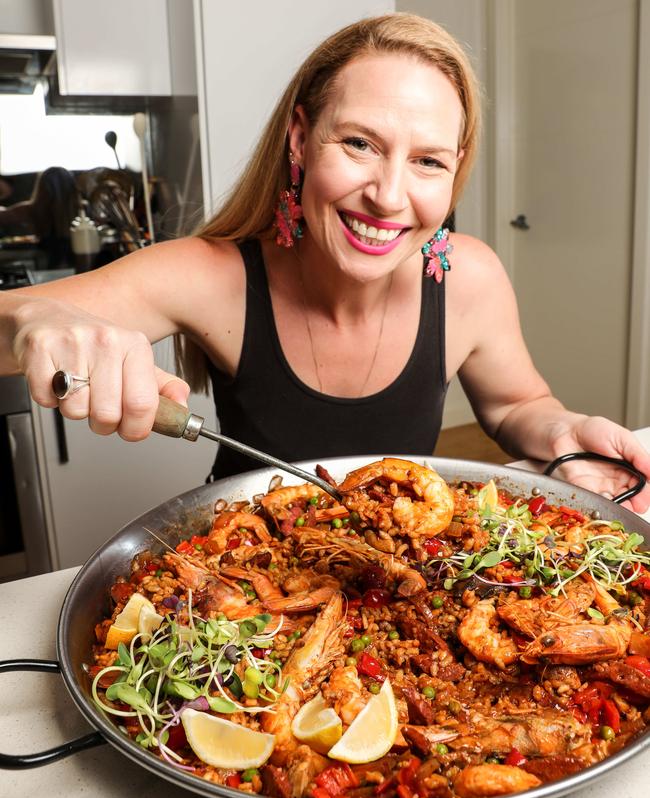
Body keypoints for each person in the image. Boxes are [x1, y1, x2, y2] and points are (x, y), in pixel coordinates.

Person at [1, 13, 649, 510]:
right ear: (301, 139)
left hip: (399, 568)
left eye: (427, 160)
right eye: (361, 143)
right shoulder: (217, 275)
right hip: (241, 571)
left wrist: (566, 433)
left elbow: (516, 406)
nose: (389, 196)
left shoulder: (468, 278)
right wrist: (33, 321)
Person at [0, 166, 78, 268]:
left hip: (46, 267)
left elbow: (4, 216)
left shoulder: (33, 209)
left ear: (41, 187)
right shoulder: (82, 209)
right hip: (76, 269)